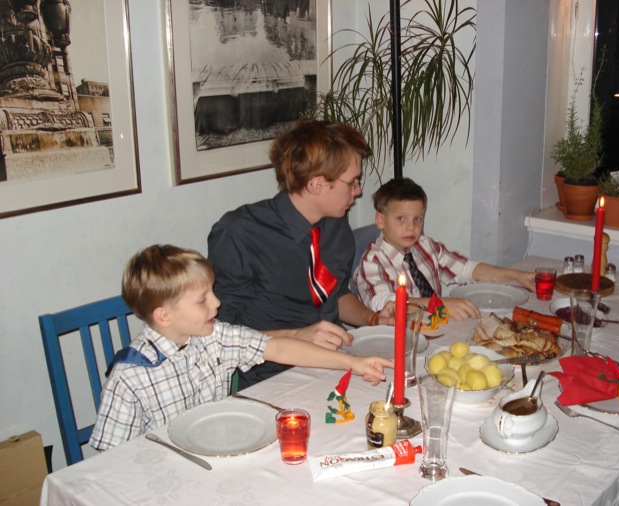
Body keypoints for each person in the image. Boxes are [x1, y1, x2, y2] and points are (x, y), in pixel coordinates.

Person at [89, 245, 393, 451]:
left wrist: (353, 363)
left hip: (220, 450)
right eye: (203, 299)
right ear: (164, 316)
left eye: (212, 292)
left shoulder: (214, 336)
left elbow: (279, 348)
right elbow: (111, 459)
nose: (216, 303)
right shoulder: (131, 376)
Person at [207, 119, 394, 389]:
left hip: (337, 363)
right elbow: (219, 333)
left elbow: (335, 294)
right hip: (274, 378)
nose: (358, 190)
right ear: (317, 184)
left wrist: (372, 318)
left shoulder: (335, 225)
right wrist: (296, 335)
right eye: (352, 182)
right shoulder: (240, 233)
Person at [353, 177, 535, 320]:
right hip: (395, 342)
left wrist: (516, 275)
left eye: (418, 218)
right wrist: (440, 304)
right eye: (401, 218)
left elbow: (467, 269)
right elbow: (385, 303)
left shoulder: (426, 246)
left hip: (435, 328)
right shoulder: (372, 261)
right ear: (380, 220)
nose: (411, 227)